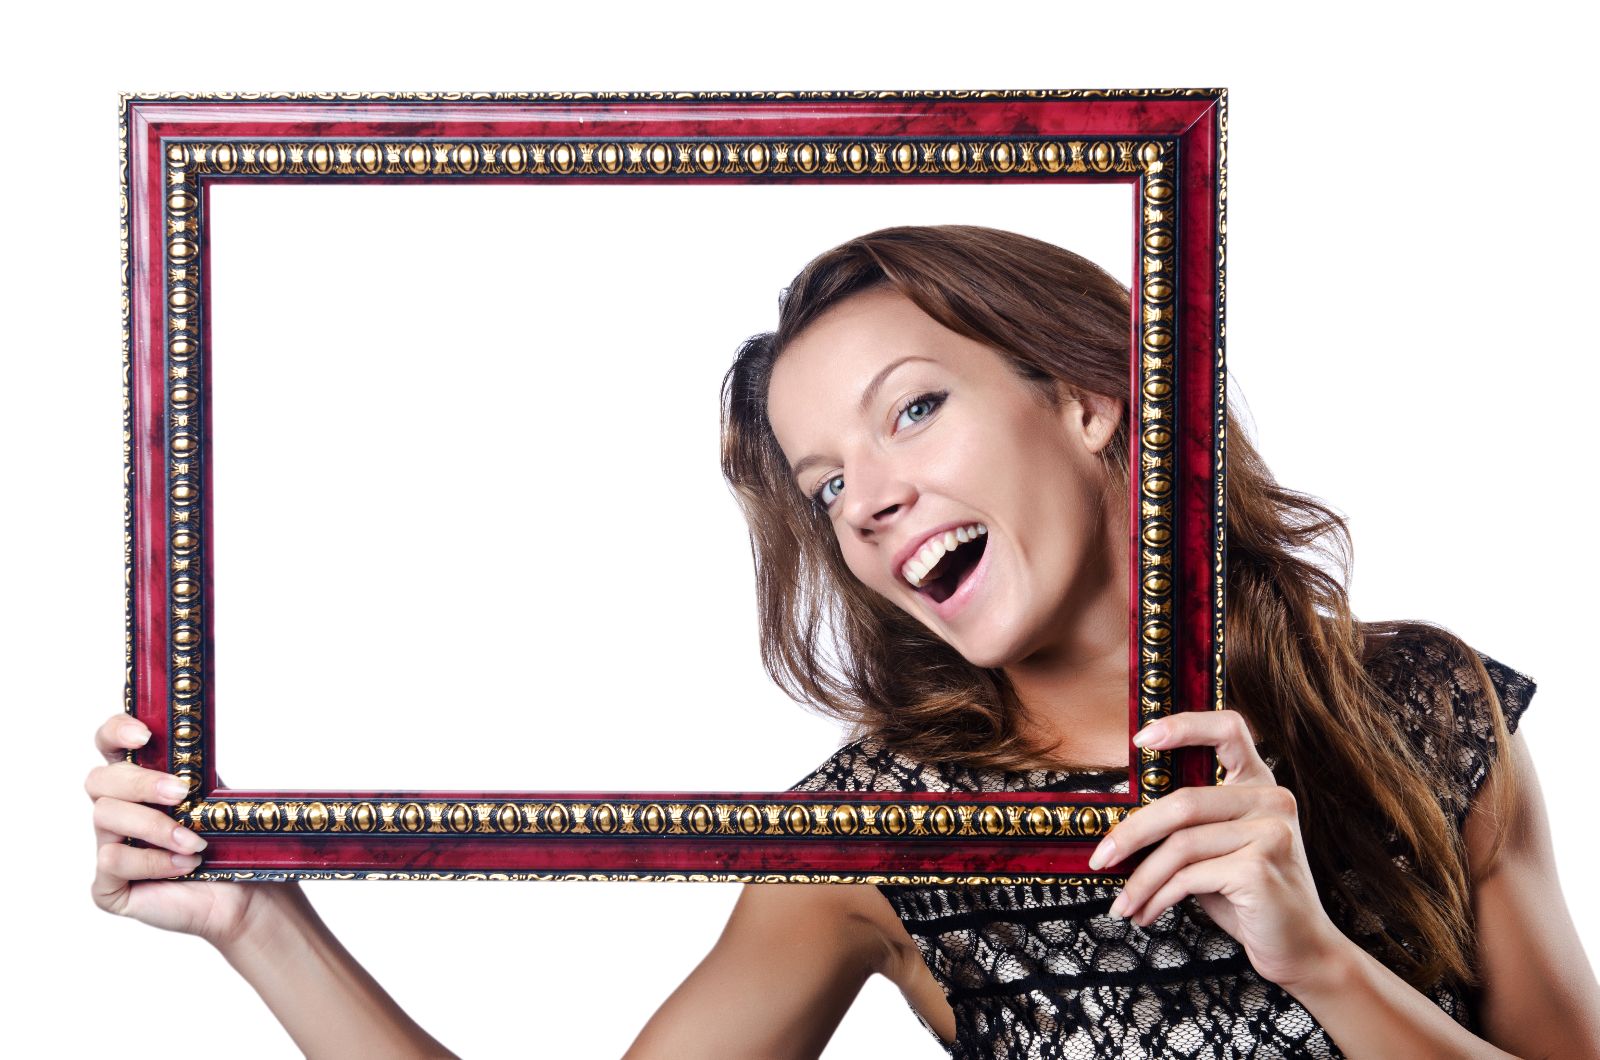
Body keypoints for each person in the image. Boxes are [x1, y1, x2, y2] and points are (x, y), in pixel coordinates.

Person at [88, 225, 1600, 1058]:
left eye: (914, 410)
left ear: (1083, 399)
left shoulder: (1424, 704)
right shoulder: (869, 841)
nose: (869, 502)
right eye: (825, 486)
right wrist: (259, 926)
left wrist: (1318, 962)